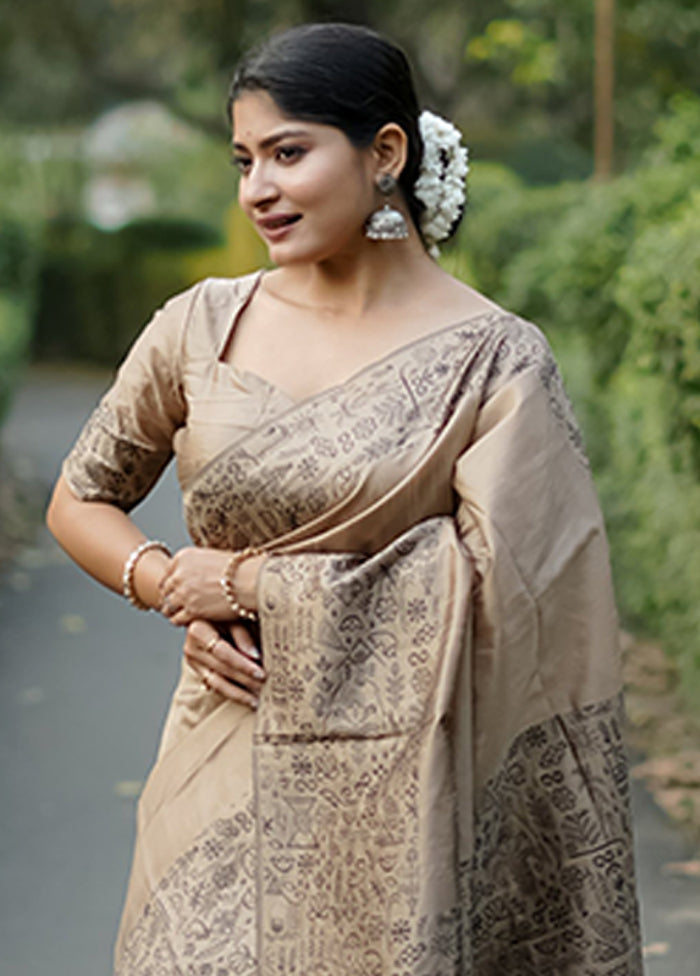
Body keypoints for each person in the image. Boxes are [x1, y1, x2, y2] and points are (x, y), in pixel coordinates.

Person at [47, 22, 643, 976]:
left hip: (407, 791)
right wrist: (163, 581)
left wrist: (249, 586)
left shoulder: (496, 360)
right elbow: (80, 497)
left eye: (289, 153)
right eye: (244, 160)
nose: (258, 190)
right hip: (221, 760)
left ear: (387, 154)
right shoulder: (201, 326)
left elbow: (524, 597)